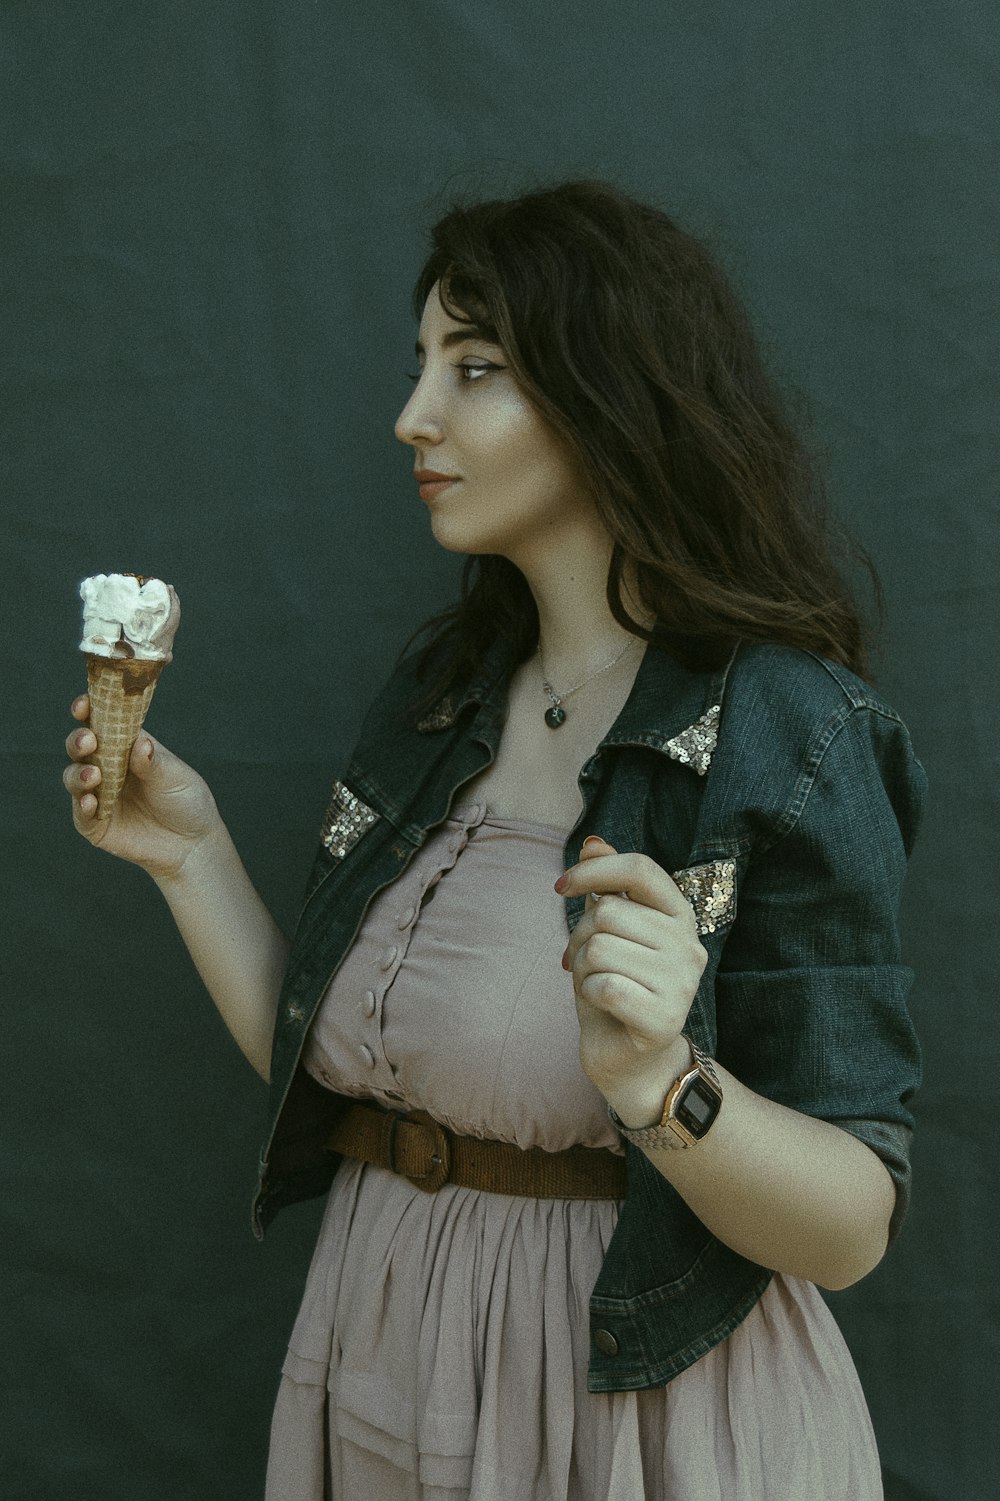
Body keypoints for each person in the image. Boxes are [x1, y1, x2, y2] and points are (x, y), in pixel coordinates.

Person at [64, 181, 925, 1500]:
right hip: (388, 1362)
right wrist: (189, 856)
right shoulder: (442, 694)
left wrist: (664, 1082)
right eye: (423, 367)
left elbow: (854, 1222)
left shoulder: (793, 729)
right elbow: (356, 1082)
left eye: (474, 369)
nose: (415, 415)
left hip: (636, 1416)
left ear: (607, 396)